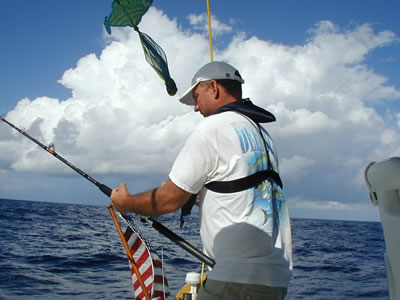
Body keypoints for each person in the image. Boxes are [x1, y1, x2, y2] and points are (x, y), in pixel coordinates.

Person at [111, 61, 293, 300]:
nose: (196, 108)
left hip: (237, 280)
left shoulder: (212, 129)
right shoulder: (262, 134)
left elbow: (168, 200)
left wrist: (127, 203)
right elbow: (243, 190)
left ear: (214, 88)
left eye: (197, 97)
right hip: (275, 280)